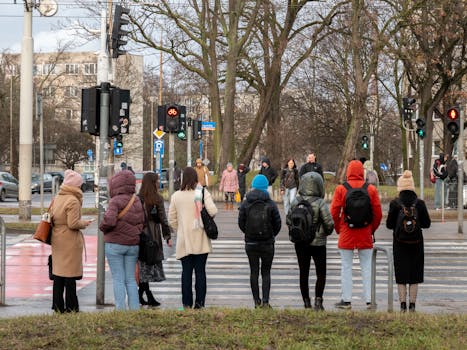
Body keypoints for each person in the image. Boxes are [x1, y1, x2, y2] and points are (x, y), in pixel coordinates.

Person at [330, 160, 382, 310]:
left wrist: (339, 228)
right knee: (367, 267)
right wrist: (371, 229)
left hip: (347, 232)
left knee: (346, 267)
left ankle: (346, 300)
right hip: (365, 233)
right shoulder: (370, 189)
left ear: (348, 172)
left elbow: (334, 212)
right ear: (362, 172)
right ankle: (369, 300)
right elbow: (378, 214)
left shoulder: (341, 189)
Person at [168, 167, 218, 309]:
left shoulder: (176, 196)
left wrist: (181, 229)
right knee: (201, 272)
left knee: (186, 273)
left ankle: (186, 304)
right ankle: (200, 304)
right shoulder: (201, 192)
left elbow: (171, 219)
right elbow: (213, 211)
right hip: (201, 238)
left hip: (184, 240)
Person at [287, 172, 334, 310]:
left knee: (303, 272)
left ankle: (306, 302)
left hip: (301, 242)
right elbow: (329, 223)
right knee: (321, 273)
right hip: (318, 243)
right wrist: (325, 233)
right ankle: (318, 301)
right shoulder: (320, 203)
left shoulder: (296, 201)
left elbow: (288, 219)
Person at [100, 170, 145, 311]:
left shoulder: (115, 201)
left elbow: (109, 221)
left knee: (118, 278)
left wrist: (102, 227)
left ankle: (120, 310)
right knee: (131, 279)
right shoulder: (136, 200)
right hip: (133, 245)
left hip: (115, 245)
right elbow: (143, 221)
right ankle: (134, 308)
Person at [386, 170, 431, 312]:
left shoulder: (395, 204)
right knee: (414, 274)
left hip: (399, 244)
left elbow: (388, 225)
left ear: (400, 187)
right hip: (417, 243)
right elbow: (426, 224)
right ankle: (412, 305)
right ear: (412, 186)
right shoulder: (420, 203)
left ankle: (402, 304)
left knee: (401, 274)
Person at [50, 169, 93, 313]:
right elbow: (73, 223)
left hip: (57, 238)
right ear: (76, 186)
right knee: (69, 276)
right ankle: (71, 306)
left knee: (58, 275)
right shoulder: (73, 200)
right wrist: (85, 223)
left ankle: (57, 306)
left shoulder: (58, 198)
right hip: (69, 240)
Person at [238, 174, 281, 308]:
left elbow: (241, 223)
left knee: (254, 272)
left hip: (251, 243)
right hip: (267, 243)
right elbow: (277, 223)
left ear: (253, 186)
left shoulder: (246, 203)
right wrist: (271, 234)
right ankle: (266, 302)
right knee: (266, 272)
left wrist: (249, 233)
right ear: (265, 187)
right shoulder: (271, 203)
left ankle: (256, 301)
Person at [137, 172, 172, 307]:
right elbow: (163, 218)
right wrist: (167, 236)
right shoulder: (157, 199)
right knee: (148, 266)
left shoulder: (138, 198)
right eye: (157, 181)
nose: (159, 182)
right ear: (153, 183)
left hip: (141, 235)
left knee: (144, 267)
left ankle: (142, 295)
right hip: (153, 235)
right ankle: (148, 296)